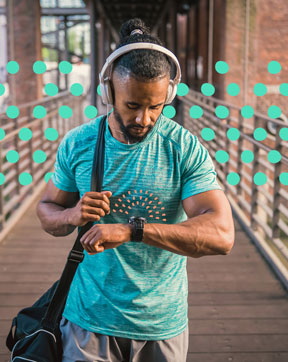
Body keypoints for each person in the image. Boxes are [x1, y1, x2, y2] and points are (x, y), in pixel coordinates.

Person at [36, 18, 235, 362]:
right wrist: (72, 214)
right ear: (109, 91)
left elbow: (222, 235)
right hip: (88, 320)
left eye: (156, 106)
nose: (144, 118)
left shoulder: (182, 147)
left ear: (169, 95)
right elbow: (46, 211)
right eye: (132, 105)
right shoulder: (80, 144)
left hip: (161, 325)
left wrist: (133, 231)